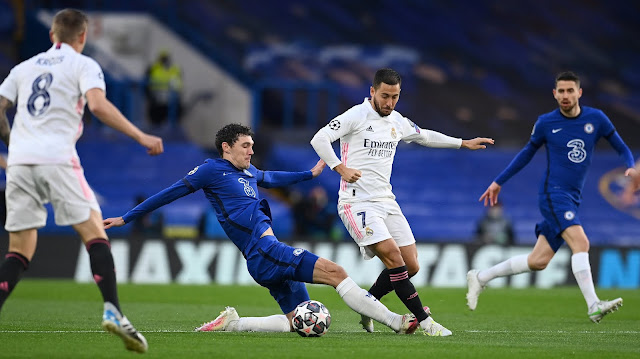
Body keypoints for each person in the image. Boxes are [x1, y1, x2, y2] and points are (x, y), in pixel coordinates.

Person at [103, 123, 448, 336]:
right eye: (246, 146)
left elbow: (271, 177)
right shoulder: (210, 170)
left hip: (262, 256)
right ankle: (396, 321)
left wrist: (309, 175)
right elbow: (171, 192)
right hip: (263, 249)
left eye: (253, 146)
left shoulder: (250, 173)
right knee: (335, 271)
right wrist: (127, 217)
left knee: (297, 319)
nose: (252, 150)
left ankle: (234, 323)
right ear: (226, 147)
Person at [0, 9, 163, 353]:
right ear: (82, 37)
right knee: (94, 233)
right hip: (57, 159)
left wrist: (13, 144)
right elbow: (98, 106)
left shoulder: (23, 68)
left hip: (19, 163)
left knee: (19, 249)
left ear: (52, 36)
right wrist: (140, 135)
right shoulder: (83, 65)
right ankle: (115, 311)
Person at [310, 68, 493, 335]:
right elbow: (320, 138)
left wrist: (462, 142)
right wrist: (339, 167)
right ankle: (425, 321)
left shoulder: (397, 120)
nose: (389, 102)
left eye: (395, 97)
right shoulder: (356, 115)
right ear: (372, 91)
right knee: (394, 257)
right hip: (356, 202)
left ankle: (367, 306)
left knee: (411, 265)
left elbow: (425, 136)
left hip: (386, 201)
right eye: (385, 96)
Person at [468, 71, 636, 323]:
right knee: (581, 243)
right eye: (561, 91)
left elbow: (621, 146)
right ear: (554, 94)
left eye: (570, 91)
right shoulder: (546, 123)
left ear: (579, 93)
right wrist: (498, 181)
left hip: (572, 197)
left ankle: (481, 277)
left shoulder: (596, 119)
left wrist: (630, 166)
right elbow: (525, 154)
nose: (565, 95)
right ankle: (593, 305)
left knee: (538, 261)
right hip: (553, 195)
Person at [145, 50, 183, 127]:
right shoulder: (153, 68)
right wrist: (149, 97)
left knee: (172, 124)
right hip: (156, 101)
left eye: (166, 58)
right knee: (155, 123)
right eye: (163, 58)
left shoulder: (175, 69)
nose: (164, 60)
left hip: (171, 101)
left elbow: (179, 84)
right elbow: (146, 82)